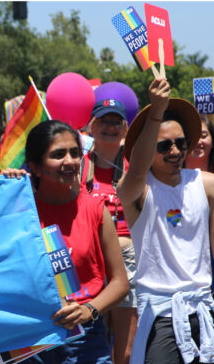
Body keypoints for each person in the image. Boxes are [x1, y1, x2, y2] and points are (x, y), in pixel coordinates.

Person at [12, 119, 128, 364]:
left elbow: (120, 283)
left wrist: (89, 310)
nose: (70, 161)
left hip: (86, 340)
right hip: (33, 339)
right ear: (35, 166)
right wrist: (5, 191)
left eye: (75, 153)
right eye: (58, 154)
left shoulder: (95, 209)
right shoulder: (18, 213)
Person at [117, 78, 214, 364]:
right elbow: (135, 171)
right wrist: (156, 111)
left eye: (180, 143)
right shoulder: (137, 190)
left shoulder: (204, 183)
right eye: (164, 146)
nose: (174, 152)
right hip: (160, 316)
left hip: (204, 310)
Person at [83, 99, 136, 364]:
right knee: (95, 345)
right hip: (91, 262)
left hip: (129, 260)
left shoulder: (137, 166)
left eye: (117, 121)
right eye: (104, 120)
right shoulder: (76, 165)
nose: (110, 127)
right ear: (91, 126)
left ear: (126, 128)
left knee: (125, 352)